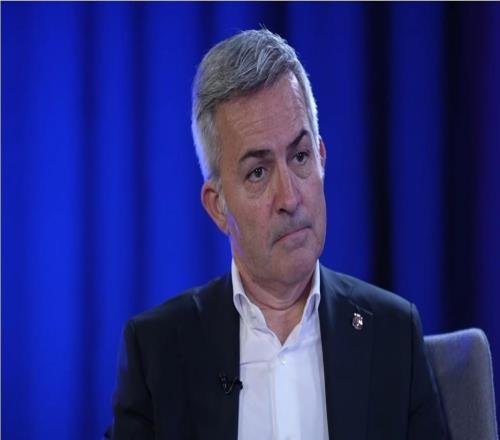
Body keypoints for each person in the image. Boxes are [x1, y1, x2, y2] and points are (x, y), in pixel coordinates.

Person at [108, 29, 447, 439]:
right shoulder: (158, 354)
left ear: (321, 158)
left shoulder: (393, 336)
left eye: (300, 156)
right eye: (258, 172)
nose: (289, 197)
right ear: (218, 205)